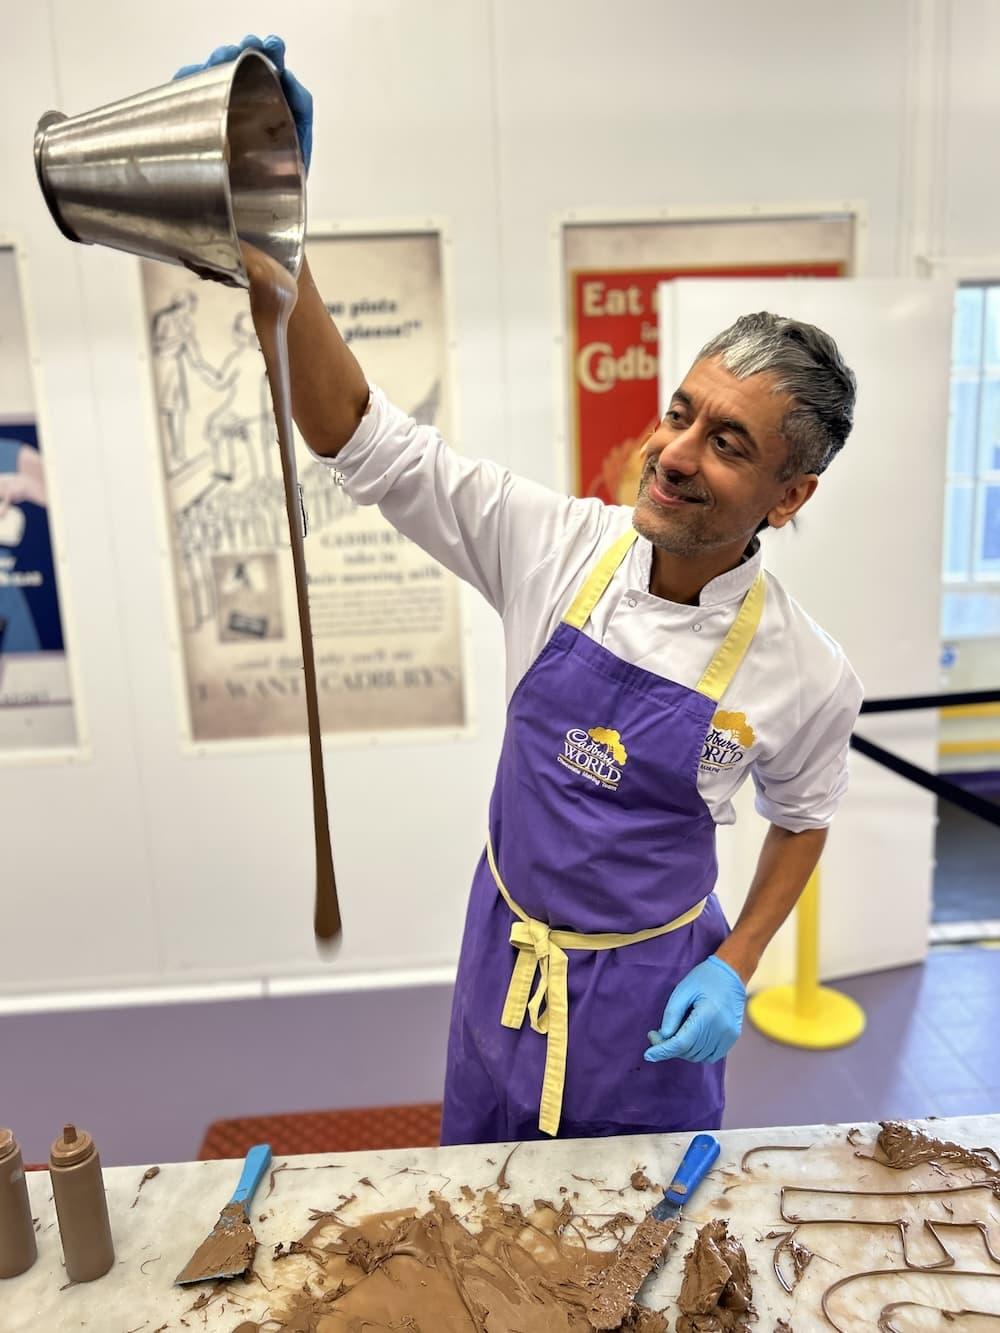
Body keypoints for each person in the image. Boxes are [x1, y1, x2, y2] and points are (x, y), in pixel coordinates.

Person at [180, 38, 864, 1145]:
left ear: (788, 497)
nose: (675, 452)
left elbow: (803, 816)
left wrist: (735, 967)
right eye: (680, 412)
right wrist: (276, 241)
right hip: (503, 966)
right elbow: (357, 437)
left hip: (649, 1002)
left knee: (635, 1251)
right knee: (478, 1221)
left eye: (726, 442)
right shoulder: (550, 546)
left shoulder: (806, 675)